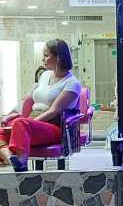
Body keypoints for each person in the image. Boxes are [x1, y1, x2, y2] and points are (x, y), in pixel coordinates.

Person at [0, 39, 82, 172]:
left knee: (20, 124)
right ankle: (12, 160)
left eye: (46, 55)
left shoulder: (72, 84)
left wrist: (26, 122)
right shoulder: (44, 75)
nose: (43, 59)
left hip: (53, 127)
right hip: (32, 123)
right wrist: (14, 115)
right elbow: (29, 99)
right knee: (2, 131)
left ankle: (22, 161)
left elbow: (54, 111)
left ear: (59, 58)